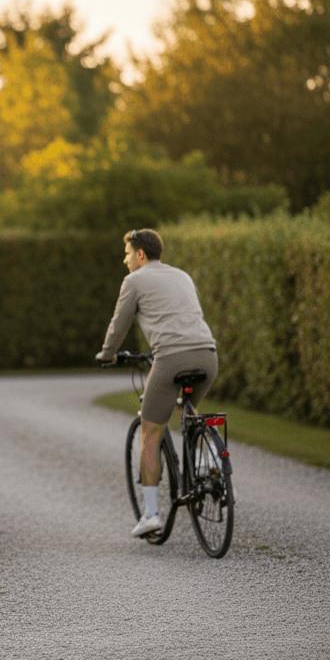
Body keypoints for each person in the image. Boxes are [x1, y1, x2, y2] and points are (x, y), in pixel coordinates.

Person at [96, 229, 218, 536]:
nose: (124, 260)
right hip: (207, 355)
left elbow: (119, 323)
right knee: (189, 409)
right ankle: (208, 463)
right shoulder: (183, 276)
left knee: (150, 431)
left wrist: (107, 354)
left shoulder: (134, 281)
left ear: (140, 254)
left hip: (172, 359)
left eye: (126, 253)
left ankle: (151, 514)